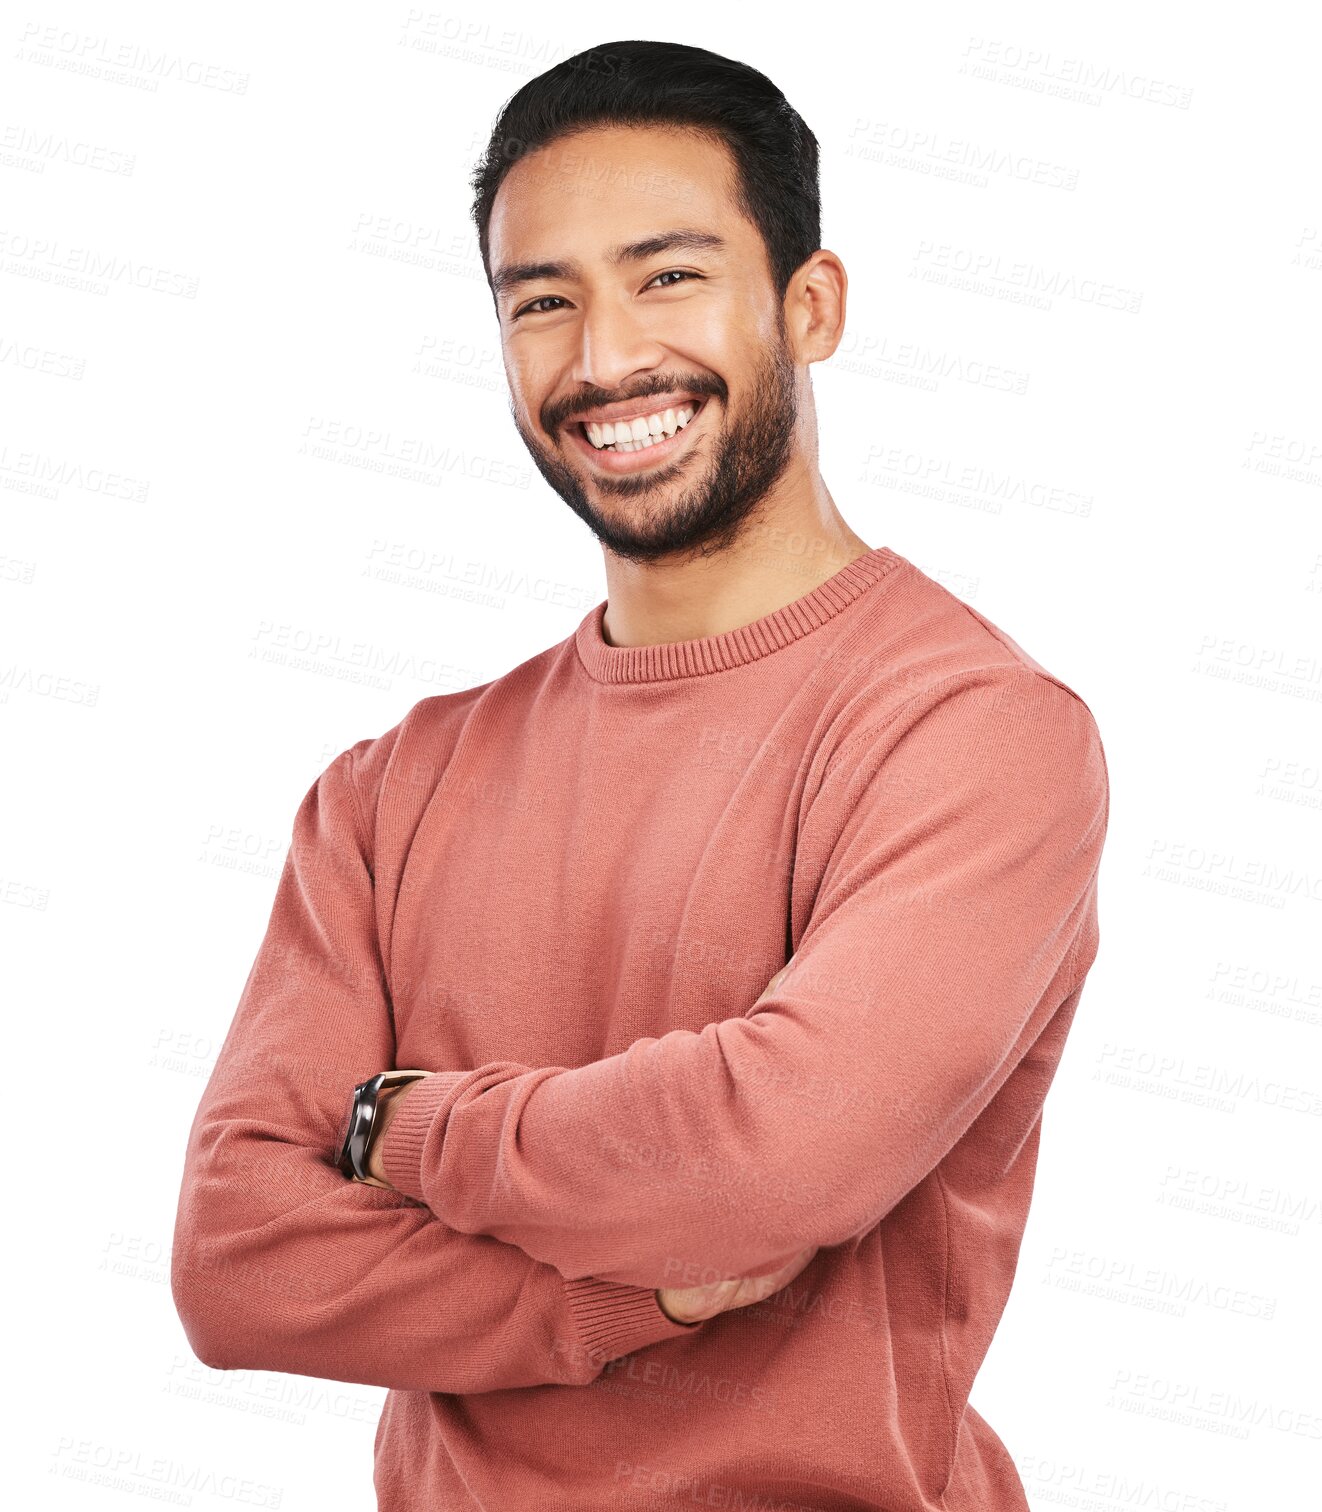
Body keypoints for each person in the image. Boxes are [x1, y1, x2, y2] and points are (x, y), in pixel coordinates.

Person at [171, 39, 1110, 1512]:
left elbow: (774, 1162)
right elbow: (236, 1264)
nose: (604, 359)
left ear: (809, 306)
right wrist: (628, 1303)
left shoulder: (974, 733)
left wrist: (402, 1128)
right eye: (542, 301)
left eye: (666, 276)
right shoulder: (387, 786)